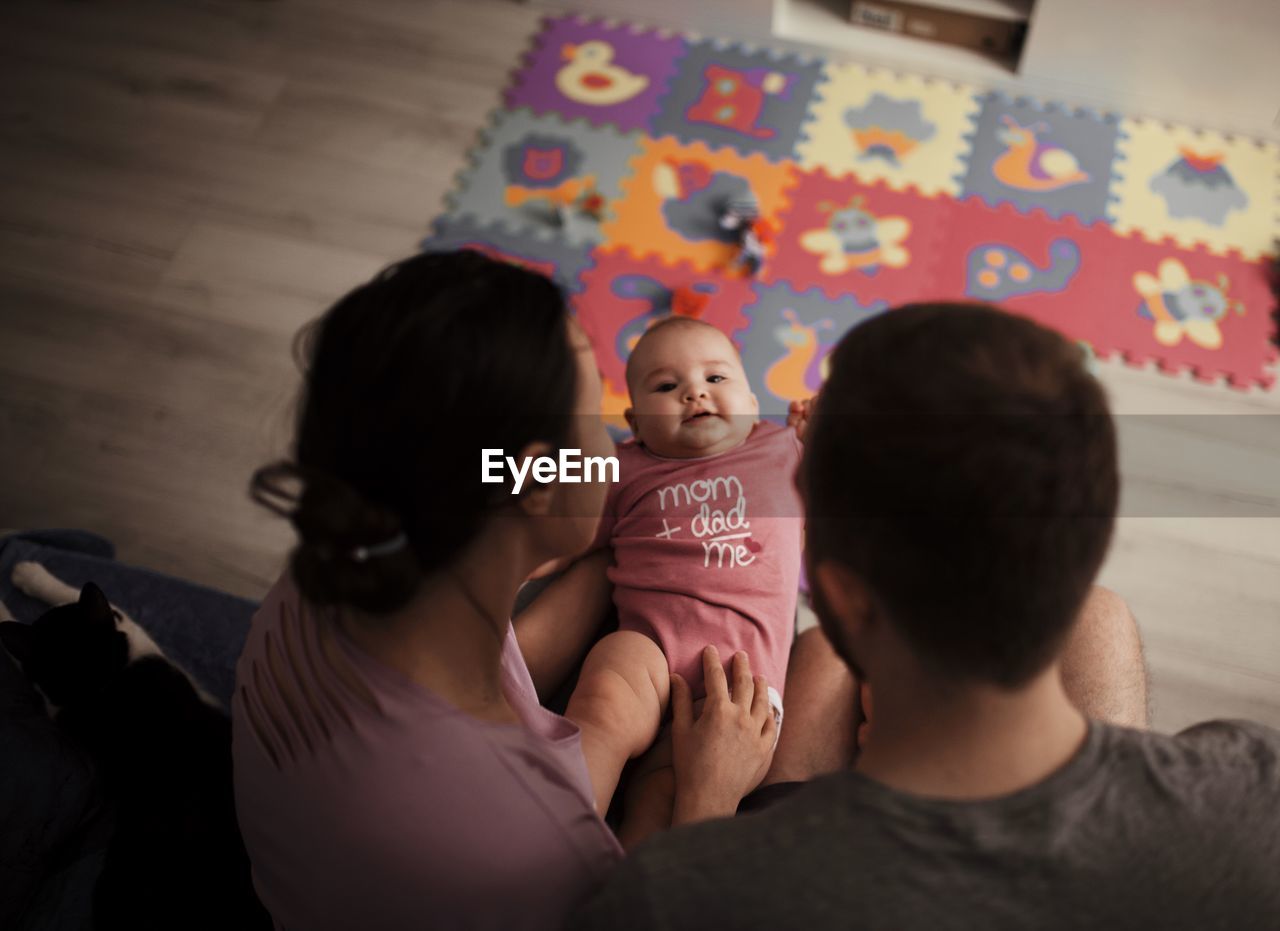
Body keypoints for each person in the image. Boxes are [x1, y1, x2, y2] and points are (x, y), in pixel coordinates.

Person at [572, 302, 1280, 929]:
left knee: (818, 655)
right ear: (1086, 546)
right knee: (1103, 617)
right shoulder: (1258, 787)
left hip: (754, 815)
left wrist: (708, 794)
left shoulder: (682, 891)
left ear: (837, 591)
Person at [231, 251, 776, 931]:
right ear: (537, 478)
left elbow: (518, 642)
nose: (614, 451)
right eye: (597, 420)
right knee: (822, 677)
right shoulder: (532, 841)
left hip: (311, 866)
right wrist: (710, 792)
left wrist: (626, 544)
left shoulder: (336, 565)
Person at [554, 316, 803, 844]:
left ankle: (624, 893)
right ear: (636, 422)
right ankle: (558, 835)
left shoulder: (783, 451)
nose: (695, 392)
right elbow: (534, 491)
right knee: (603, 704)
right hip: (648, 651)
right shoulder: (622, 466)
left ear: (754, 402)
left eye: (716, 379)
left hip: (739, 694)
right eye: (667, 387)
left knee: (661, 803)